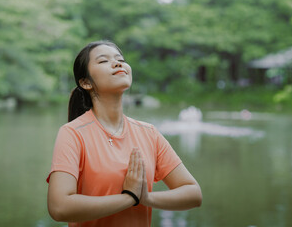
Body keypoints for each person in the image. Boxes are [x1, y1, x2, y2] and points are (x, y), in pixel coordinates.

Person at [46, 40, 202, 227]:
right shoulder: (73, 133)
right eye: (103, 61)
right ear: (86, 82)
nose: (118, 63)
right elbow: (59, 207)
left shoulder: (149, 133)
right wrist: (128, 198)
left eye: (120, 59)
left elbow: (193, 193)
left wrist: (146, 198)